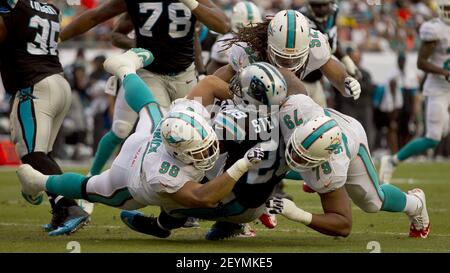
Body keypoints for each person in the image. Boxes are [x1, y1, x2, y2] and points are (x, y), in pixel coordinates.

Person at [16, 48, 265, 238]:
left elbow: (209, 83)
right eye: (201, 151)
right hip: (130, 176)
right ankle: (40, 180)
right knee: (90, 187)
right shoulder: (165, 174)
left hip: (151, 137)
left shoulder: (190, 115)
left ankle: (126, 69)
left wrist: (252, 104)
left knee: (151, 108)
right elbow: (202, 198)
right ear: (180, 153)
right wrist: (241, 165)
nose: (208, 153)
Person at [121, 61, 297, 240]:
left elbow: (204, 162)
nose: (233, 88)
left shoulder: (234, 123)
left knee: (177, 196)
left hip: (239, 205)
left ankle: (161, 226)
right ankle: (232, 223)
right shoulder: (288, 117)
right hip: (263, 195)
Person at [266, 93, 430, 238]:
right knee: (268, 162)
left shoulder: (331, 170)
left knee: (372, 203)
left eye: (303, 158)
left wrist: (297, 214)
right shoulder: (294, 107)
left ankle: (415, 203)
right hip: (328, 126)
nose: (294, 157)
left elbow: (343, 225)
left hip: (352, 139)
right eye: (296, 149)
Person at [0, 0, 89, 236]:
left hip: (34, 85)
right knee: (43, 154)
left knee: (32, 155)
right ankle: (60, 211)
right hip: (58, 83)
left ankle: (70, 208)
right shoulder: (50, 8)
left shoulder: (16, 7)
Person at [379, 1, 450, 183]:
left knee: (442, 131)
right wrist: (444, 72)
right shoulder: (435, 29)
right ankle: (392, 161)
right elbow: (421, 63)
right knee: (433, 138)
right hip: (438, 89)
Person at [299, 0, 361, 107]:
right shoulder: (300, 19)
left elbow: (332, 40)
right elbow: (320, 54)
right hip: (301, 81)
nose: (322, 9)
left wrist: (346, 59)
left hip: (317, 81)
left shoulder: (332, 15)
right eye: (317, 5)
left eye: (324, 5)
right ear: (309, 5)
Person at [206, 1, 262, 74]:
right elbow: (213, 72)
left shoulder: (262, 42)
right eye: (246, 30)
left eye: (252, 29)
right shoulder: (225, 43)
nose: (249, 34)